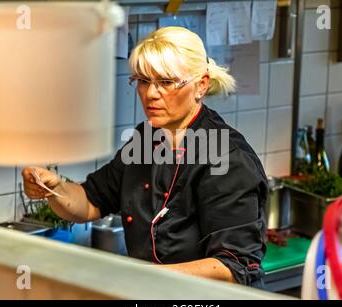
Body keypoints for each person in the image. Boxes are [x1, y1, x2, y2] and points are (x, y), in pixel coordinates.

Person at [22, 26, 268, 287]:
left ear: (201, 85)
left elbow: (234, 266)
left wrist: (143, 278)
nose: (151, 94)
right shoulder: (146, 140)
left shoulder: (226, 158)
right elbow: (91, 201)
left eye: (166, 82)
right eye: (143, 81)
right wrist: (54, 188)